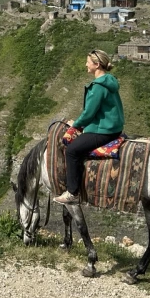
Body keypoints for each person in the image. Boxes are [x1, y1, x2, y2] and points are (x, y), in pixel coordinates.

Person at [54, 49, 124, 205]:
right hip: (114, 128)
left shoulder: (98, 87)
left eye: (88, 62)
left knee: (72, 151)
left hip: (103, 131)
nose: (86, 65)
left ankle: (72, 193)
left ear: (97, 65)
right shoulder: (110, 80)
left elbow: (88, 114)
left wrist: (75, 125)